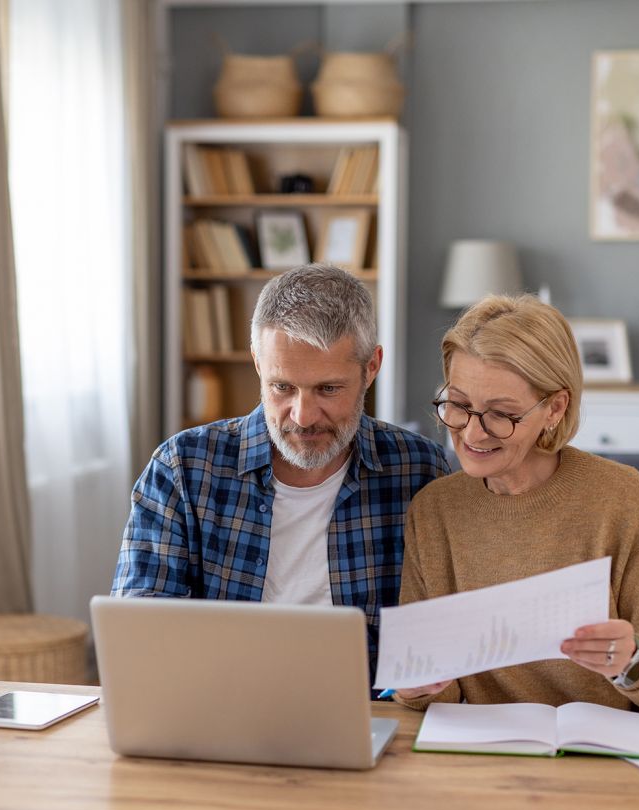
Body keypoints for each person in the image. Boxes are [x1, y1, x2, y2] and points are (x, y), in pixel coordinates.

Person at [112, 264, 450, 675]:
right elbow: (140, 632)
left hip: (368, 711)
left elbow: (441, 624)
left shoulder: (418, 470)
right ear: (257, 363)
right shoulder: (182, 469)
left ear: (371, 367)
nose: (303, 417)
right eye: (282, 387)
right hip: (221, 707)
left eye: (328, 389)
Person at [395, 294, 639, 715]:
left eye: (501, 414)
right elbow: (436, 693)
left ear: (554, 407)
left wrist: (632, 661)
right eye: (458, 405)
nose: (472, 434)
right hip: (493, 756)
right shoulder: (434, 510)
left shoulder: (619, 497)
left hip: (614, 753)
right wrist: (420, 686)